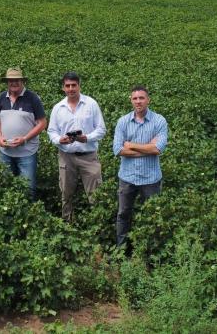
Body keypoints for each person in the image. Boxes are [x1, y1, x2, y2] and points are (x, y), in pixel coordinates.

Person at [113, 85, 168, 251]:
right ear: (131, 100)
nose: (138, 101)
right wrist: (147, 149)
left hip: (151, 178)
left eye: (141, 98)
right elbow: (118, 149)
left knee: (153, 216)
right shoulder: (123, 121)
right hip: (127, 177)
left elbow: (158, 149)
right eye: (135, 98)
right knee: (123, 214)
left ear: (148, 100)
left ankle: (152, 253)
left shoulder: (159, 121)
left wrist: (131, 145)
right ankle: (121, 250)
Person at [46, 71, 106, 221]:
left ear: (79, 86)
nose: (71, 88)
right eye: (68, 86)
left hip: (89, 157)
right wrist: (60, 140)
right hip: (66, 157)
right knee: (66, 194)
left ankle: (98, 224)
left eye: (74, 85)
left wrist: (86, 138)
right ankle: (67, 223)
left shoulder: (91, 104)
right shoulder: (58, 108)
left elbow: (101, 129)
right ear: (63, 88)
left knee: (96, 194)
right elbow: (51, 131)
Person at [0, 67, 47, 200]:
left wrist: (24, 139)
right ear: (7, 82)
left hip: (27, 153)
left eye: (17, 80)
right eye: (11, 80)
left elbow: (42, 123)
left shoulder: (32, 98)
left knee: (28, 189)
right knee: (6, 187)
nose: (14, 83)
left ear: (22, 81)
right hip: (5, 153)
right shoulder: (1, 98)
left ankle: (28, 216)